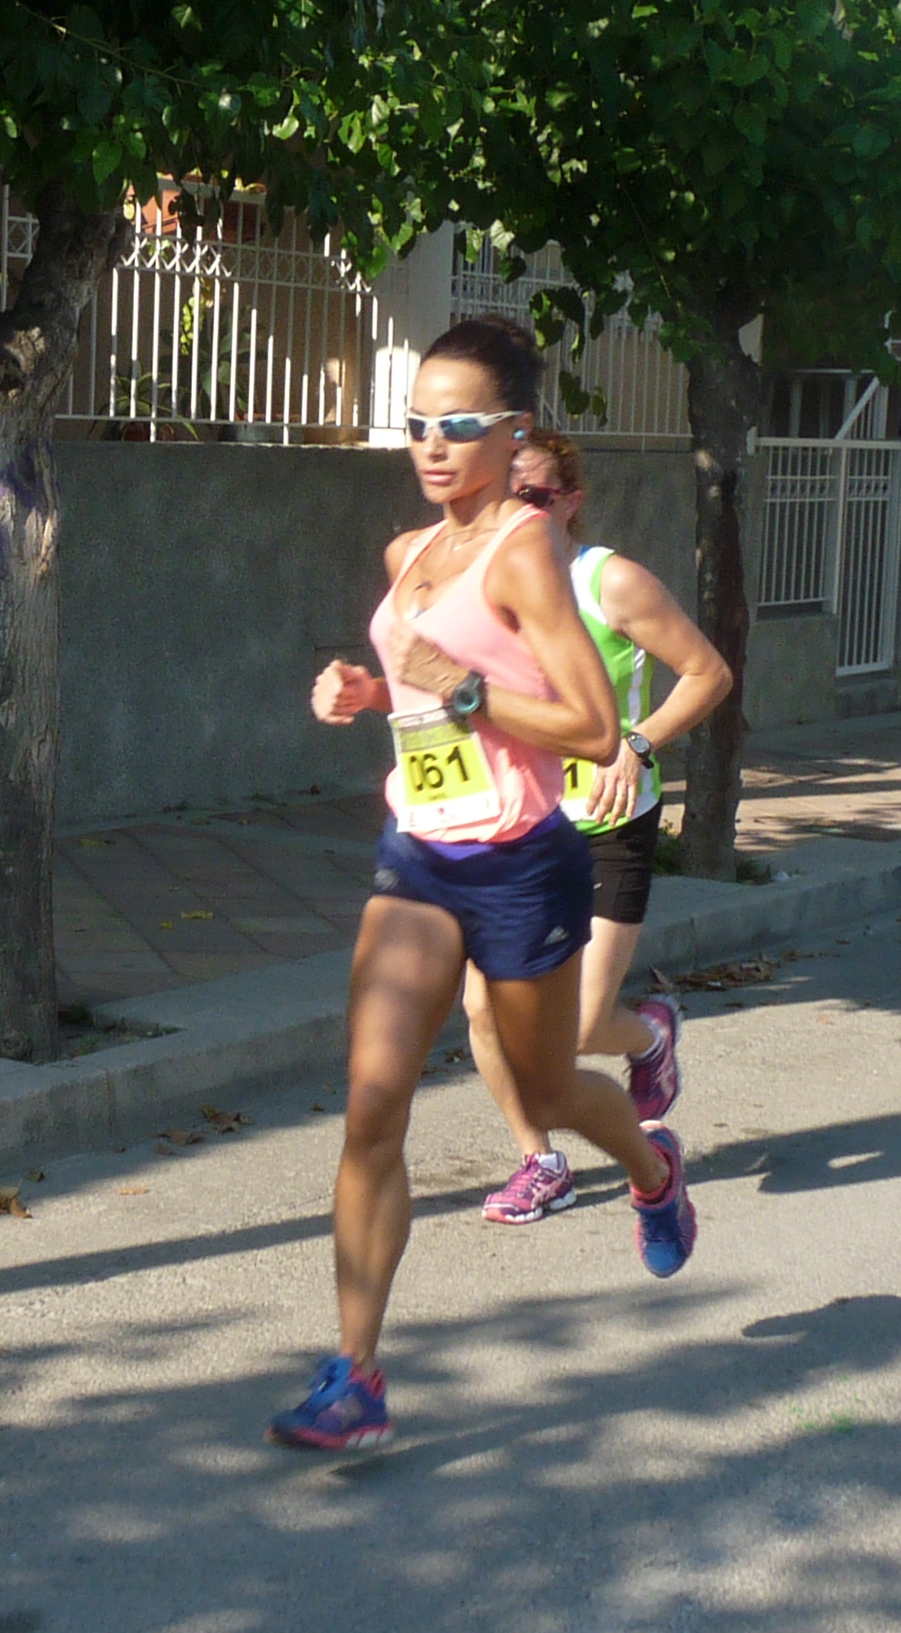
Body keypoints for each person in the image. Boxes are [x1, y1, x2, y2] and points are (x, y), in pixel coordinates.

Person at [280, 320, 696, 1451]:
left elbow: (593, 726)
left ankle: (652, 1168)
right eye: (417, 422)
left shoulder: (526, 550)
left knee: (547, 1092)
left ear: (515, 431)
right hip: (421, 856)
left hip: (523, 862)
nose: (433, 443)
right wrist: (371, 694)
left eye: (460, 424)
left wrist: (459, 689)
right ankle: (356, 1378)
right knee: (373, 1106)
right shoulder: (408, 552)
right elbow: (423, 692)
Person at [458, 427, 734, 1222]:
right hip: (515, 827)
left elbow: (707, 672)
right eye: (502, 495)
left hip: (607, 823)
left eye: (534, 496)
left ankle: (646, 1037)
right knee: (484, 1010)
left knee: (576, 1025)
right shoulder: (480, 585)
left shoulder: (609, 581)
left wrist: (637, 744)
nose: (516, 511)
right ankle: (540, 1160)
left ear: (570, 502)